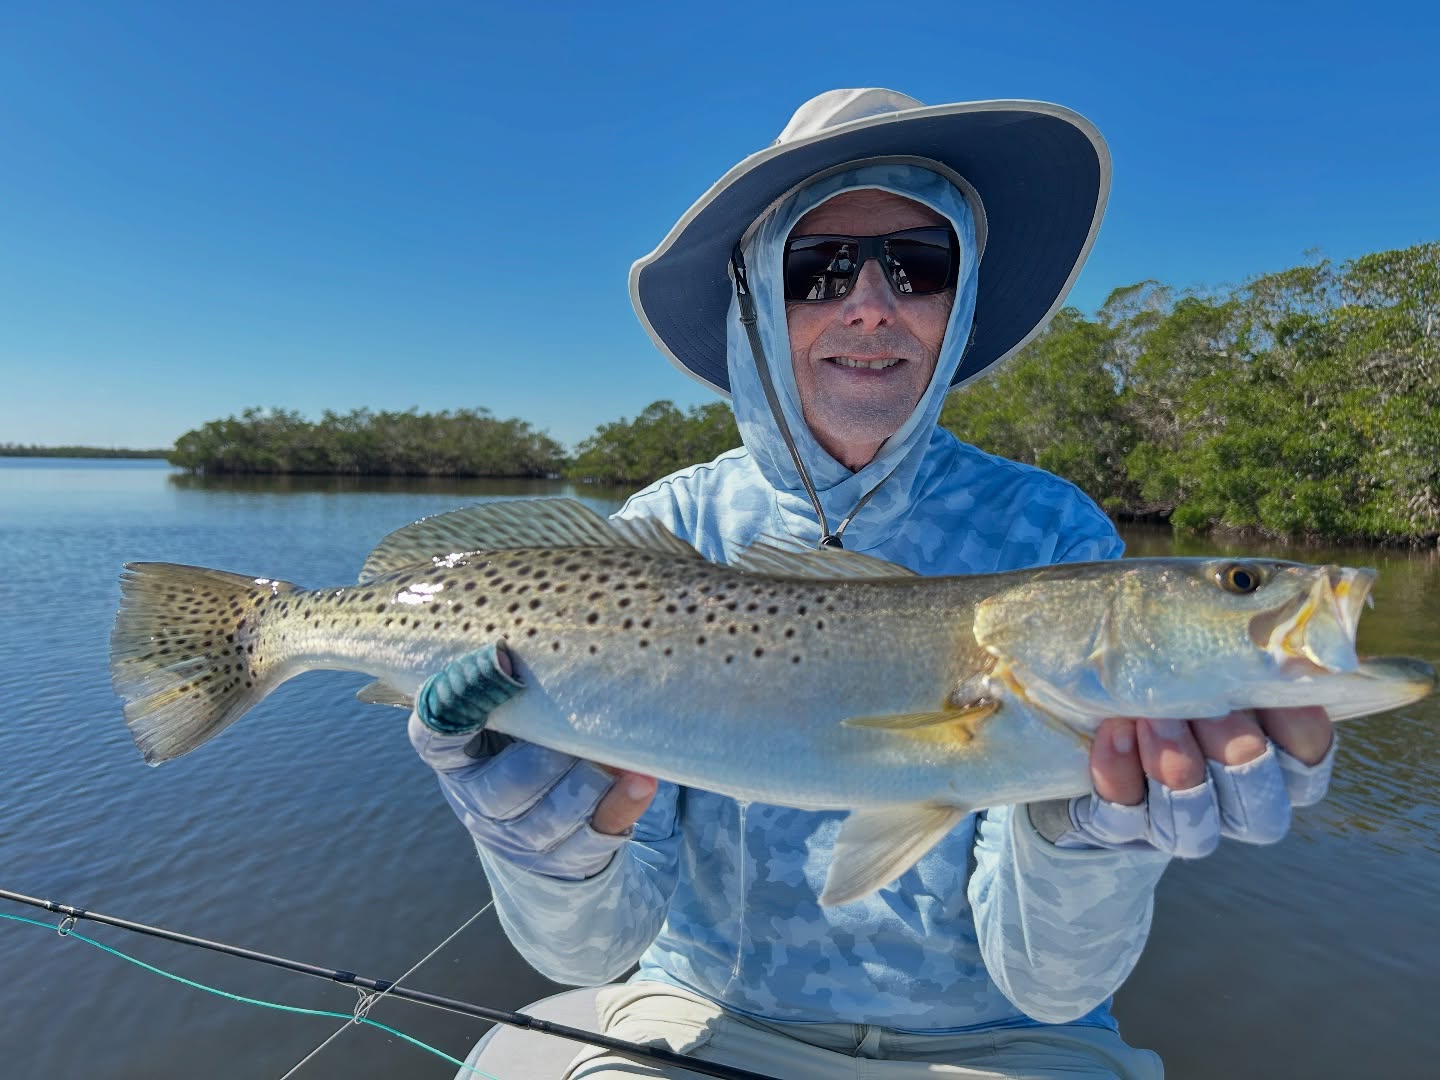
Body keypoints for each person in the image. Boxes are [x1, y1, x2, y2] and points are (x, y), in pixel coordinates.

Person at [408, 89, 1336, 1079]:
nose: (870, 303)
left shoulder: (1052, 533)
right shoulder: (664, 529)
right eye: (817, 269)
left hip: (1009, 1044)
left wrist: (1090, 840)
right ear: (758, 297)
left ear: (959, 297)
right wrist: (547, 855)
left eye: (917, 266)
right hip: (700, 1018)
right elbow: (588, 954)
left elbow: (1053, 989)